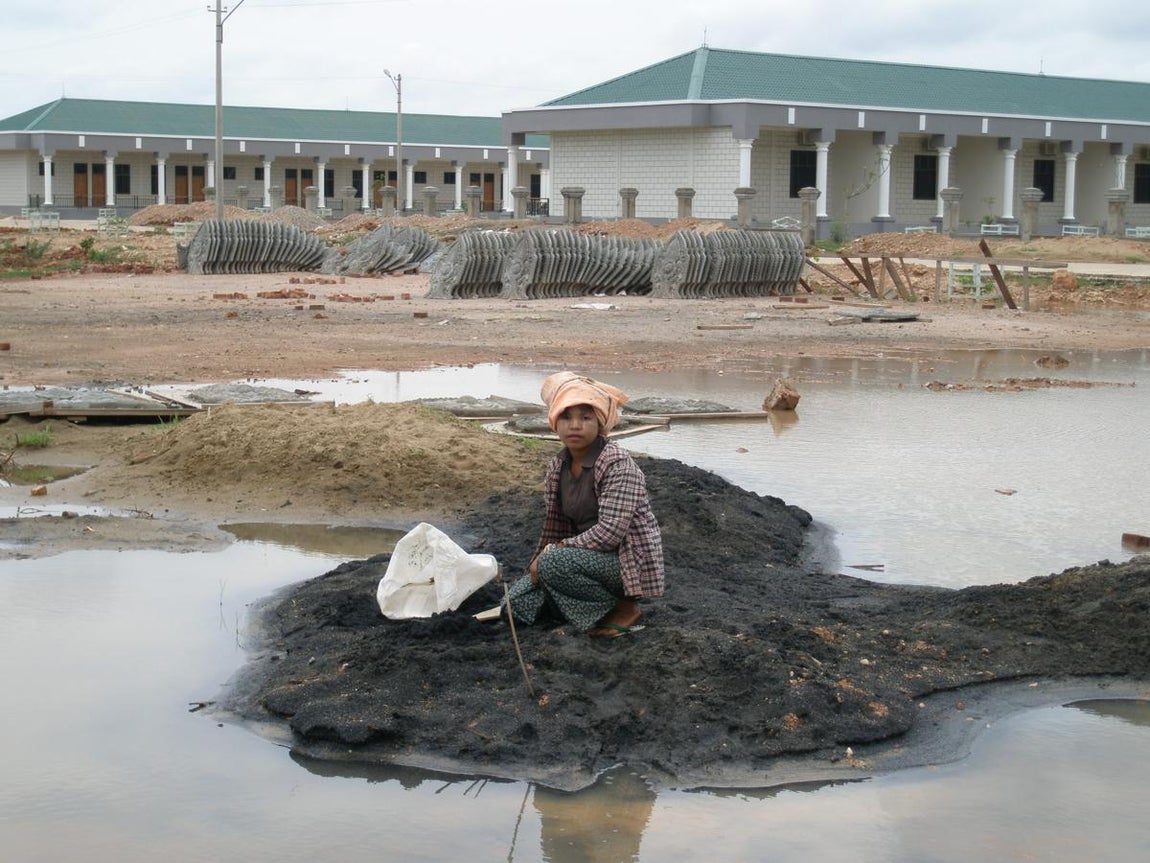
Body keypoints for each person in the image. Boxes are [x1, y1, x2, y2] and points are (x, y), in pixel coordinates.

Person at [503, 371, 664, 638]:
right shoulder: (558, 466)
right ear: (555, 422)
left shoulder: (618, 465)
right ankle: (581, 607)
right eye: (566, 417)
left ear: (600, 424)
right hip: (581, 557)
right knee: (514, 606)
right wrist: (542, 559)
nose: (575, 425)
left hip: (623, 561)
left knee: (554, 564)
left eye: (585, 418)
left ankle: (624, 607)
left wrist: (553, 552)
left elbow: (610, 533)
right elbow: (557, 525)